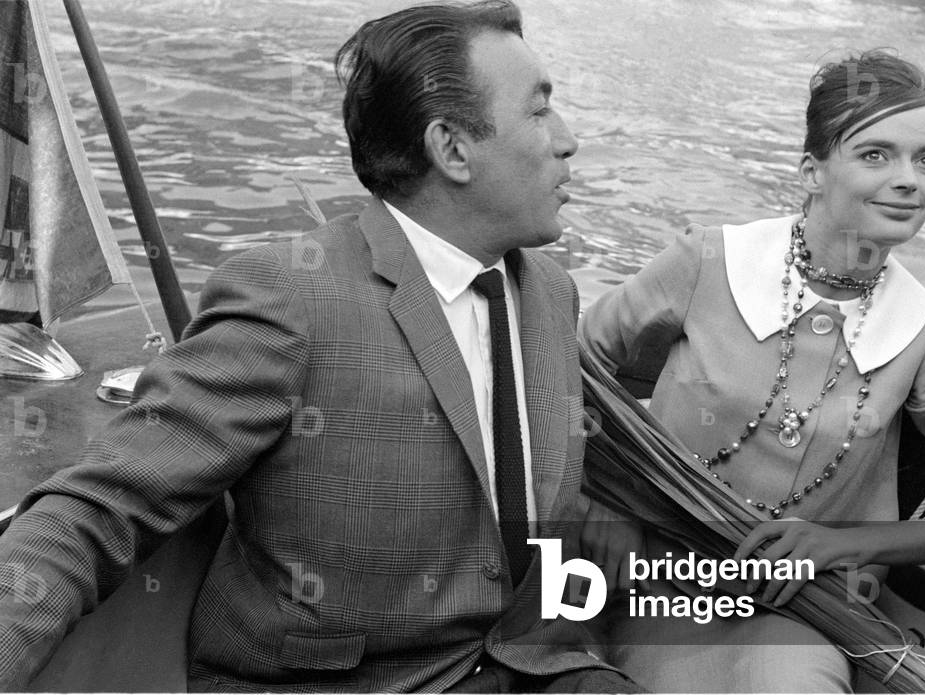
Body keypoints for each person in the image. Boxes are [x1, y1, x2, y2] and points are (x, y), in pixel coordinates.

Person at [0, 2, 642, 691]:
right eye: (540, 112)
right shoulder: (289, 297)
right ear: (451, 148)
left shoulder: (547, 291)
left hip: (530, 667)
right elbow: (97, 510)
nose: (568, 140)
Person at [578, 49, 925, 692]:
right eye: (876, 155)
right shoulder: (706, 262)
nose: (910, 181)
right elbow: (555, 370)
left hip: (804, 611)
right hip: (641, 586)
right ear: (812, 172)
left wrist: (846, 544)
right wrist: (598, 500)